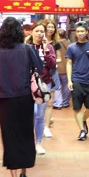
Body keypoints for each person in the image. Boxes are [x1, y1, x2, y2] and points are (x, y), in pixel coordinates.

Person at [0, 17, 42, 177]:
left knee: (9, 135)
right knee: (25, 133)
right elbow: (39, 66)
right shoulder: (27, 49)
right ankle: (24, 171)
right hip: (24, 97)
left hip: (5, 98)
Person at [66, 20, 89, 141]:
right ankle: (82, 130)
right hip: (76, 80)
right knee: (77, 107)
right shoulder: (71, 47)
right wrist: (69, 80)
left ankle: (83, 119)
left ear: (86, 32)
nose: (80, 33)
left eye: (82, 31)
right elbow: (69, 63)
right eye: (78, 31)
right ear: (75, 33)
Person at [26, 21, 56, 155]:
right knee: (30, 113)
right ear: (31, 32)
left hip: (44, 84)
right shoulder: (26, 47)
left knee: (39, 115)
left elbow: (52, 64)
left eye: (41, 31)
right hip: (28, 84)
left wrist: (46, 49)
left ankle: (38, 143)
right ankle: (29, 142)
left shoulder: (48, 47)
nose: (39, 34)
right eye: (37, 31)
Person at [43, 19, 62, 137]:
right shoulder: (36, 40)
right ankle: (39, 123)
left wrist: (54, 62)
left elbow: (59, 58)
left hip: (52, 72)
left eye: (52, 27)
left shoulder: (56, 43)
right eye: (48, 27)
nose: (50, 29)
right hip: (39, 73)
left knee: (50, 102)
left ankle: (46, 127)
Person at [54, 28, 71, 109]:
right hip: (66, 68)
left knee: (57, 86)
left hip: (56, 68)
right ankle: (65, 102)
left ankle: (58, 103)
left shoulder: (54, 44)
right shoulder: (69, 44)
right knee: (66, 86)